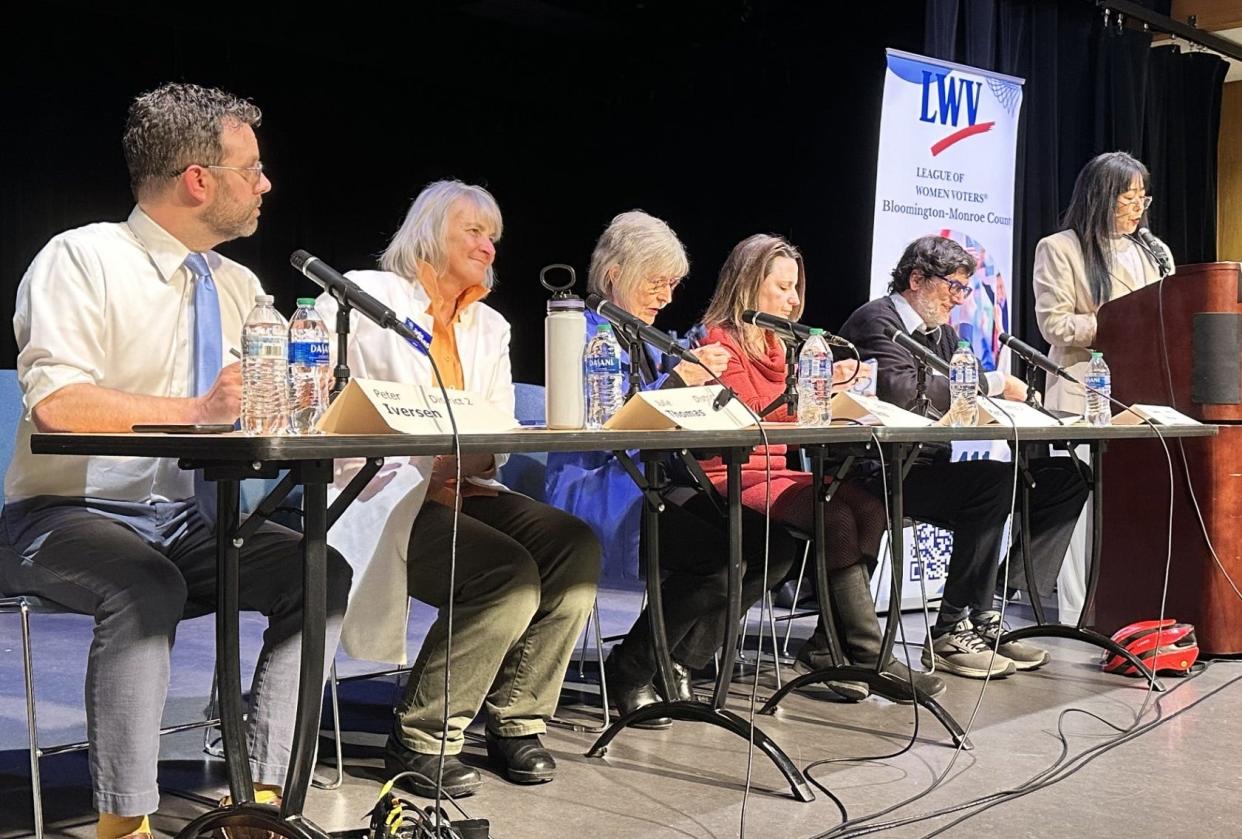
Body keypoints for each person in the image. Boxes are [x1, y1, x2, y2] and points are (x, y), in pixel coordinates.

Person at [0, 83, 353, 839]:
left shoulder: (239, 287)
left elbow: (248, 413)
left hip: (185, 519)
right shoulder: (81, 258)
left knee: (317, 569)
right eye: (251, 168)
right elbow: (59, 403)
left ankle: (260, 798)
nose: (266, 183)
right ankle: (123, 823)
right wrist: (196, 411)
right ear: (200, 179)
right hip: (62, 517)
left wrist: (310, 405)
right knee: (146, 584)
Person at [317, 180, 600, 798]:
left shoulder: (490, 324)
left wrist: (465, 453)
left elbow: (494, 427)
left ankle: (516, 718)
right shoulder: (363, 300)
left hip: (468, 483)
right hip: (384, 490)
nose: (488, 246)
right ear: (427, 230)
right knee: (506, 575)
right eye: (473, 231)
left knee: (573, 546)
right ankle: (422, 737)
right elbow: (331, 410)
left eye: (493, 237)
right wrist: (433, 452)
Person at [545, 211, 802, 727]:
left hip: (654, 483)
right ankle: (632, 667)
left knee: (770, 541)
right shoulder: (582, 331)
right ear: (615, 274)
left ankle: (678, 660)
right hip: (604, 488)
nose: (665, 296)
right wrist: (680, 384)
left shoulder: (647, 338)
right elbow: (608, 426)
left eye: (672, 284)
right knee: (717, 559)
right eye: (655, 282)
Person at [699, 234, 945, 699]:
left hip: (778, 471)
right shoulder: (720, 341)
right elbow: (748, 414)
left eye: (796, 289)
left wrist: (833, 394)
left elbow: (790, 416)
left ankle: (830, 648)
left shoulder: (779, 346)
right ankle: (872, 657)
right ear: (750, 286)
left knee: (871, 508)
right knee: (832, 517)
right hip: (731, 473)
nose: (793, 301)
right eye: (782, 288)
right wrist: (809, 393)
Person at [838, 234, 1089, 678]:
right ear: (917, 279)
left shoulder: (944, 335)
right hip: (875, 472)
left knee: (1066, 475)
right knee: (991, 483)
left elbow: (962, 397)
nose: (958, 299)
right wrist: (993, 385)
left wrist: (1020, 408)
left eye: (963, 289)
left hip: (927, 466)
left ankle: (983, 609)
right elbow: (904, 393)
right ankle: (952, 630)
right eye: (952, 286)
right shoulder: (875, 322)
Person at [1034, 151, 1172, 623]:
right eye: (1127, 197)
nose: (1138, 208)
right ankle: (1078, 617)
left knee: (1132, 503)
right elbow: (1054, 325)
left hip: (1141, 395)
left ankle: (1127, 611)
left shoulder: (1146, 252)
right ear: (1099, 197)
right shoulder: (1060, 247)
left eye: (1142, 197)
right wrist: (1115, 324)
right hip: (1081, 394)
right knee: (1081, 509)